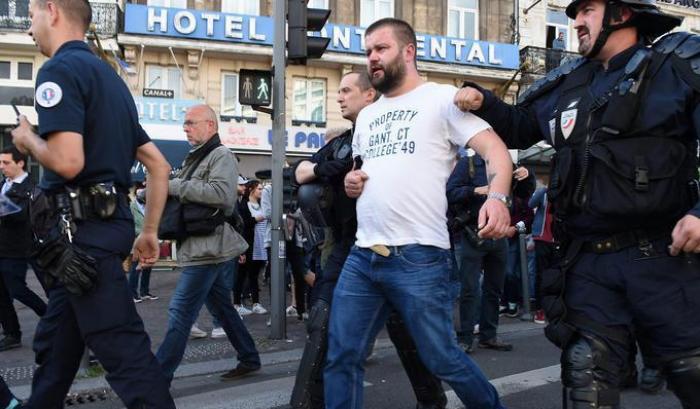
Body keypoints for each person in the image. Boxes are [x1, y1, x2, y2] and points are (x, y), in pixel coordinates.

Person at [454, 1, 700, 407]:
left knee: (691, 371)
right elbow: (520, 126)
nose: (576, 23)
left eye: (586, 11)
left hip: (664, 257)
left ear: (622, 14)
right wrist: (485, 102)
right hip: (587, 263)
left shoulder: (674, 65)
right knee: (586, 374)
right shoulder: (570, 81)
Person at [326, 18, 514, 409]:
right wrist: (352, 183)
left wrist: (497, 198)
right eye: (368, 51)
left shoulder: (441, 99)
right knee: (341, 356)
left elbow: (496, 152)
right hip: (363, 256)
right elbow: (363, 172)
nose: (372, 58)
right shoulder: (369, 116)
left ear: (408, 51)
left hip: (418, 256)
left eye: (381, 49)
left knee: (442, 358)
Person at [9, 0, 175, 406]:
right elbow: (158, 164)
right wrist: (148, 231)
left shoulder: (59, 71)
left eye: (30, 16)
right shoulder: (111, 79)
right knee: (56, 351)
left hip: (81, 237)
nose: (30, 28)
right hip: (99, 234)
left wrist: (27, 139)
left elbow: (68, 161)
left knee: (125, 355)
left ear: (52, 10)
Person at [291, 71, 447, 409]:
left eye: (347, 90)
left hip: (398, 246)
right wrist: (330, 169)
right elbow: (300, 171)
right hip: (349, 247)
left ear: (369, 96)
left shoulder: (396, 137)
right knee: (322, 321)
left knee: (408, 332)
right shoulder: (341, 142)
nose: (339, 97)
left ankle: (432, 400)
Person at [155, 104, 261, 383]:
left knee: (181, 311)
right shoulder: (196, 157)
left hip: (209, 247)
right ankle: (249, 357)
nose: (185, 127)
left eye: (191, 122)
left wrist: (173, 186)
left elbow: (223, 196)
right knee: (222, 309)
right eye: (185, 123)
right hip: (200, 245)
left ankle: (156, 379)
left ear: (210, 126)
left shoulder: (221, 154)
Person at [446, 153, 512, 353]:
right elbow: (450, 193)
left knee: (494, 288)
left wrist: (527, 178)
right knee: (469, 289)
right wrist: (476, 190)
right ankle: (465, 338)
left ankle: (488, 336)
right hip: (473, 233)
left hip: (499, 234)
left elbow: (521, 196)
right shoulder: (468, 164)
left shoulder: (506, 163)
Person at [0, 147, 46, 351]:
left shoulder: (32, 187)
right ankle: (12, 333)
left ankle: (49, 316)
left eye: (6, 163)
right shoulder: (3, 184)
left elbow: (21, 216)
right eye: (0, 163)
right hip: (2, 247)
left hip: (20, 249)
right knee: (1, 294)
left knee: (16, 288)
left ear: (20, 163)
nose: (2, 167)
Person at [128, 183, 158, 303]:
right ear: (136, 193)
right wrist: (143, 233)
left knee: (148, 267)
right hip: (137, 241)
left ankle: (144, 292)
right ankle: (132, 294)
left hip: (150, 242)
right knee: (136, 268)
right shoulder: (132, 206)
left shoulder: (149, 206)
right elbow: (130, 225)